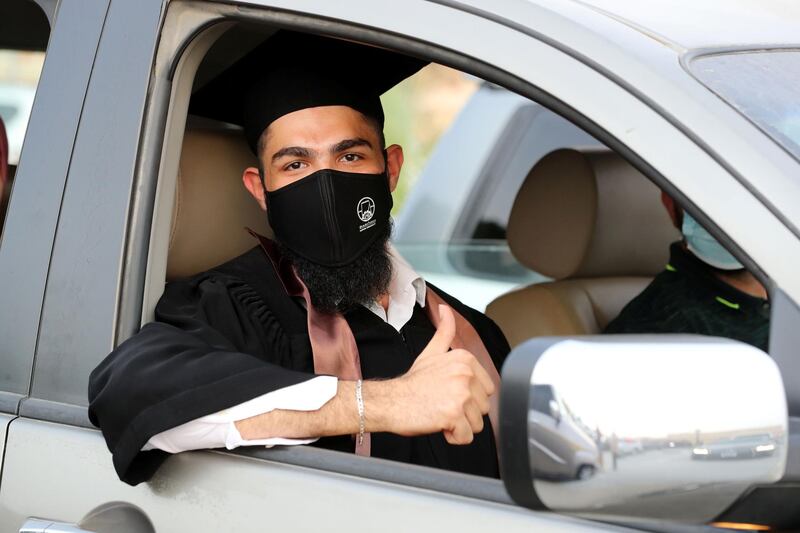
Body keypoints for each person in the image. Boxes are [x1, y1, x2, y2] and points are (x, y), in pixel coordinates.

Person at [88, 30, 509, 486]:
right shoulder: (236, 308)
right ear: (259, 190)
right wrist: (384, 404)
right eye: (295, 165)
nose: (325, 187)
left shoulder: (470, 335)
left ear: (389, 170)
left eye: (349, 156)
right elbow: (131, 390)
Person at [604, 192, 769, 350]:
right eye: (704, 195)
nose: (723, 218)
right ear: (670, 204)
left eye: (741, 198)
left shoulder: (788, 289)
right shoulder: (656, 334)